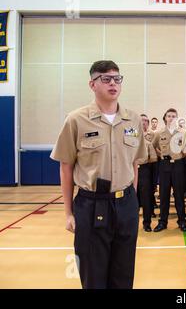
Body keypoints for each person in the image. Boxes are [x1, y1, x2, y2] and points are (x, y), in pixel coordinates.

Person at [50, 60, 147, 289]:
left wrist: (131, 203)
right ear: (92, 84)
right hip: (91, 204)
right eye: (106, 79)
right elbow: (66, 166)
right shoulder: (76, 120)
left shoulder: (133, 120)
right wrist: (68, 213)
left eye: (117, 78)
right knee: (93, 277)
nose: (113, 83)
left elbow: (135, 163)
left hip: (125, 205)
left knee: (123, 276)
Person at [152, 108, 186, 232]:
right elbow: (153, 146)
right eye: (169, 116)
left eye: (174, 116)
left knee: (179, 195)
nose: (171, 118)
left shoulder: (182, 132)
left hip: (178, 165)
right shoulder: (159, 133)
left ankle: (182, 222)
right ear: (165, 118)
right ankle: (162, 222)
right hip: (164, 165)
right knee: (164, 195)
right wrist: (161, 154)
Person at [137, 114, 158, 231]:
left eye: (145, 121)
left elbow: (154, 158)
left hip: (145, 170)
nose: (143, 123)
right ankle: (131, 223)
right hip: (132, 171)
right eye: (141, 121)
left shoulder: (148, 142)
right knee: (132, 200)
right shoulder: (130, 138)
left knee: (146, 199)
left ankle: (147, 223)